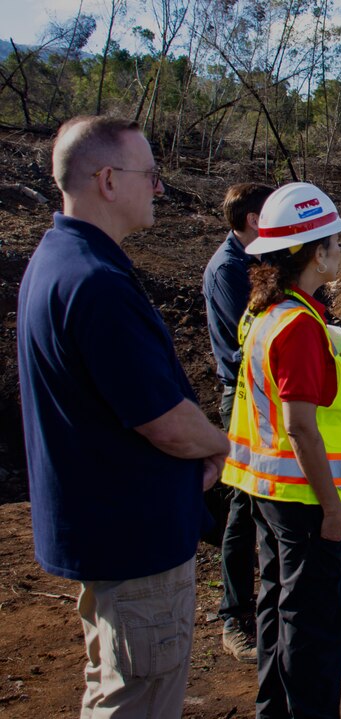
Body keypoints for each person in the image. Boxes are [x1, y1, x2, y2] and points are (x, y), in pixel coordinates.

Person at [17, 116, 229, 717]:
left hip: (103, 529)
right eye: (150, 175)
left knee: (114, 680)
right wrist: (220, 444)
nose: (159, 189)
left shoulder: (59, 260)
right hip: (134, 541)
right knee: (137, 696)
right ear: (108, 180)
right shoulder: (97, 283)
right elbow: (161, 419)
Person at [221, 181, 341, 719]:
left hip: (269, 492)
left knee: (277, 611)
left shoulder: (265, 312)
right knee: (313, 629)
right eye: (335, 242)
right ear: (314, 251)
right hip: (304, 502)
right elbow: (301, 428)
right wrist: (333, 510)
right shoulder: (299, 325)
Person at [203, 182, 275, 663]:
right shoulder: (229, 269)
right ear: (253, 219)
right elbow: (246, 343)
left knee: (272, 499)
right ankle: (235, 615)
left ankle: (274, 602)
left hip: (270, 392)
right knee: (243, 506)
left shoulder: (260, 260)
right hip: (244, 397)